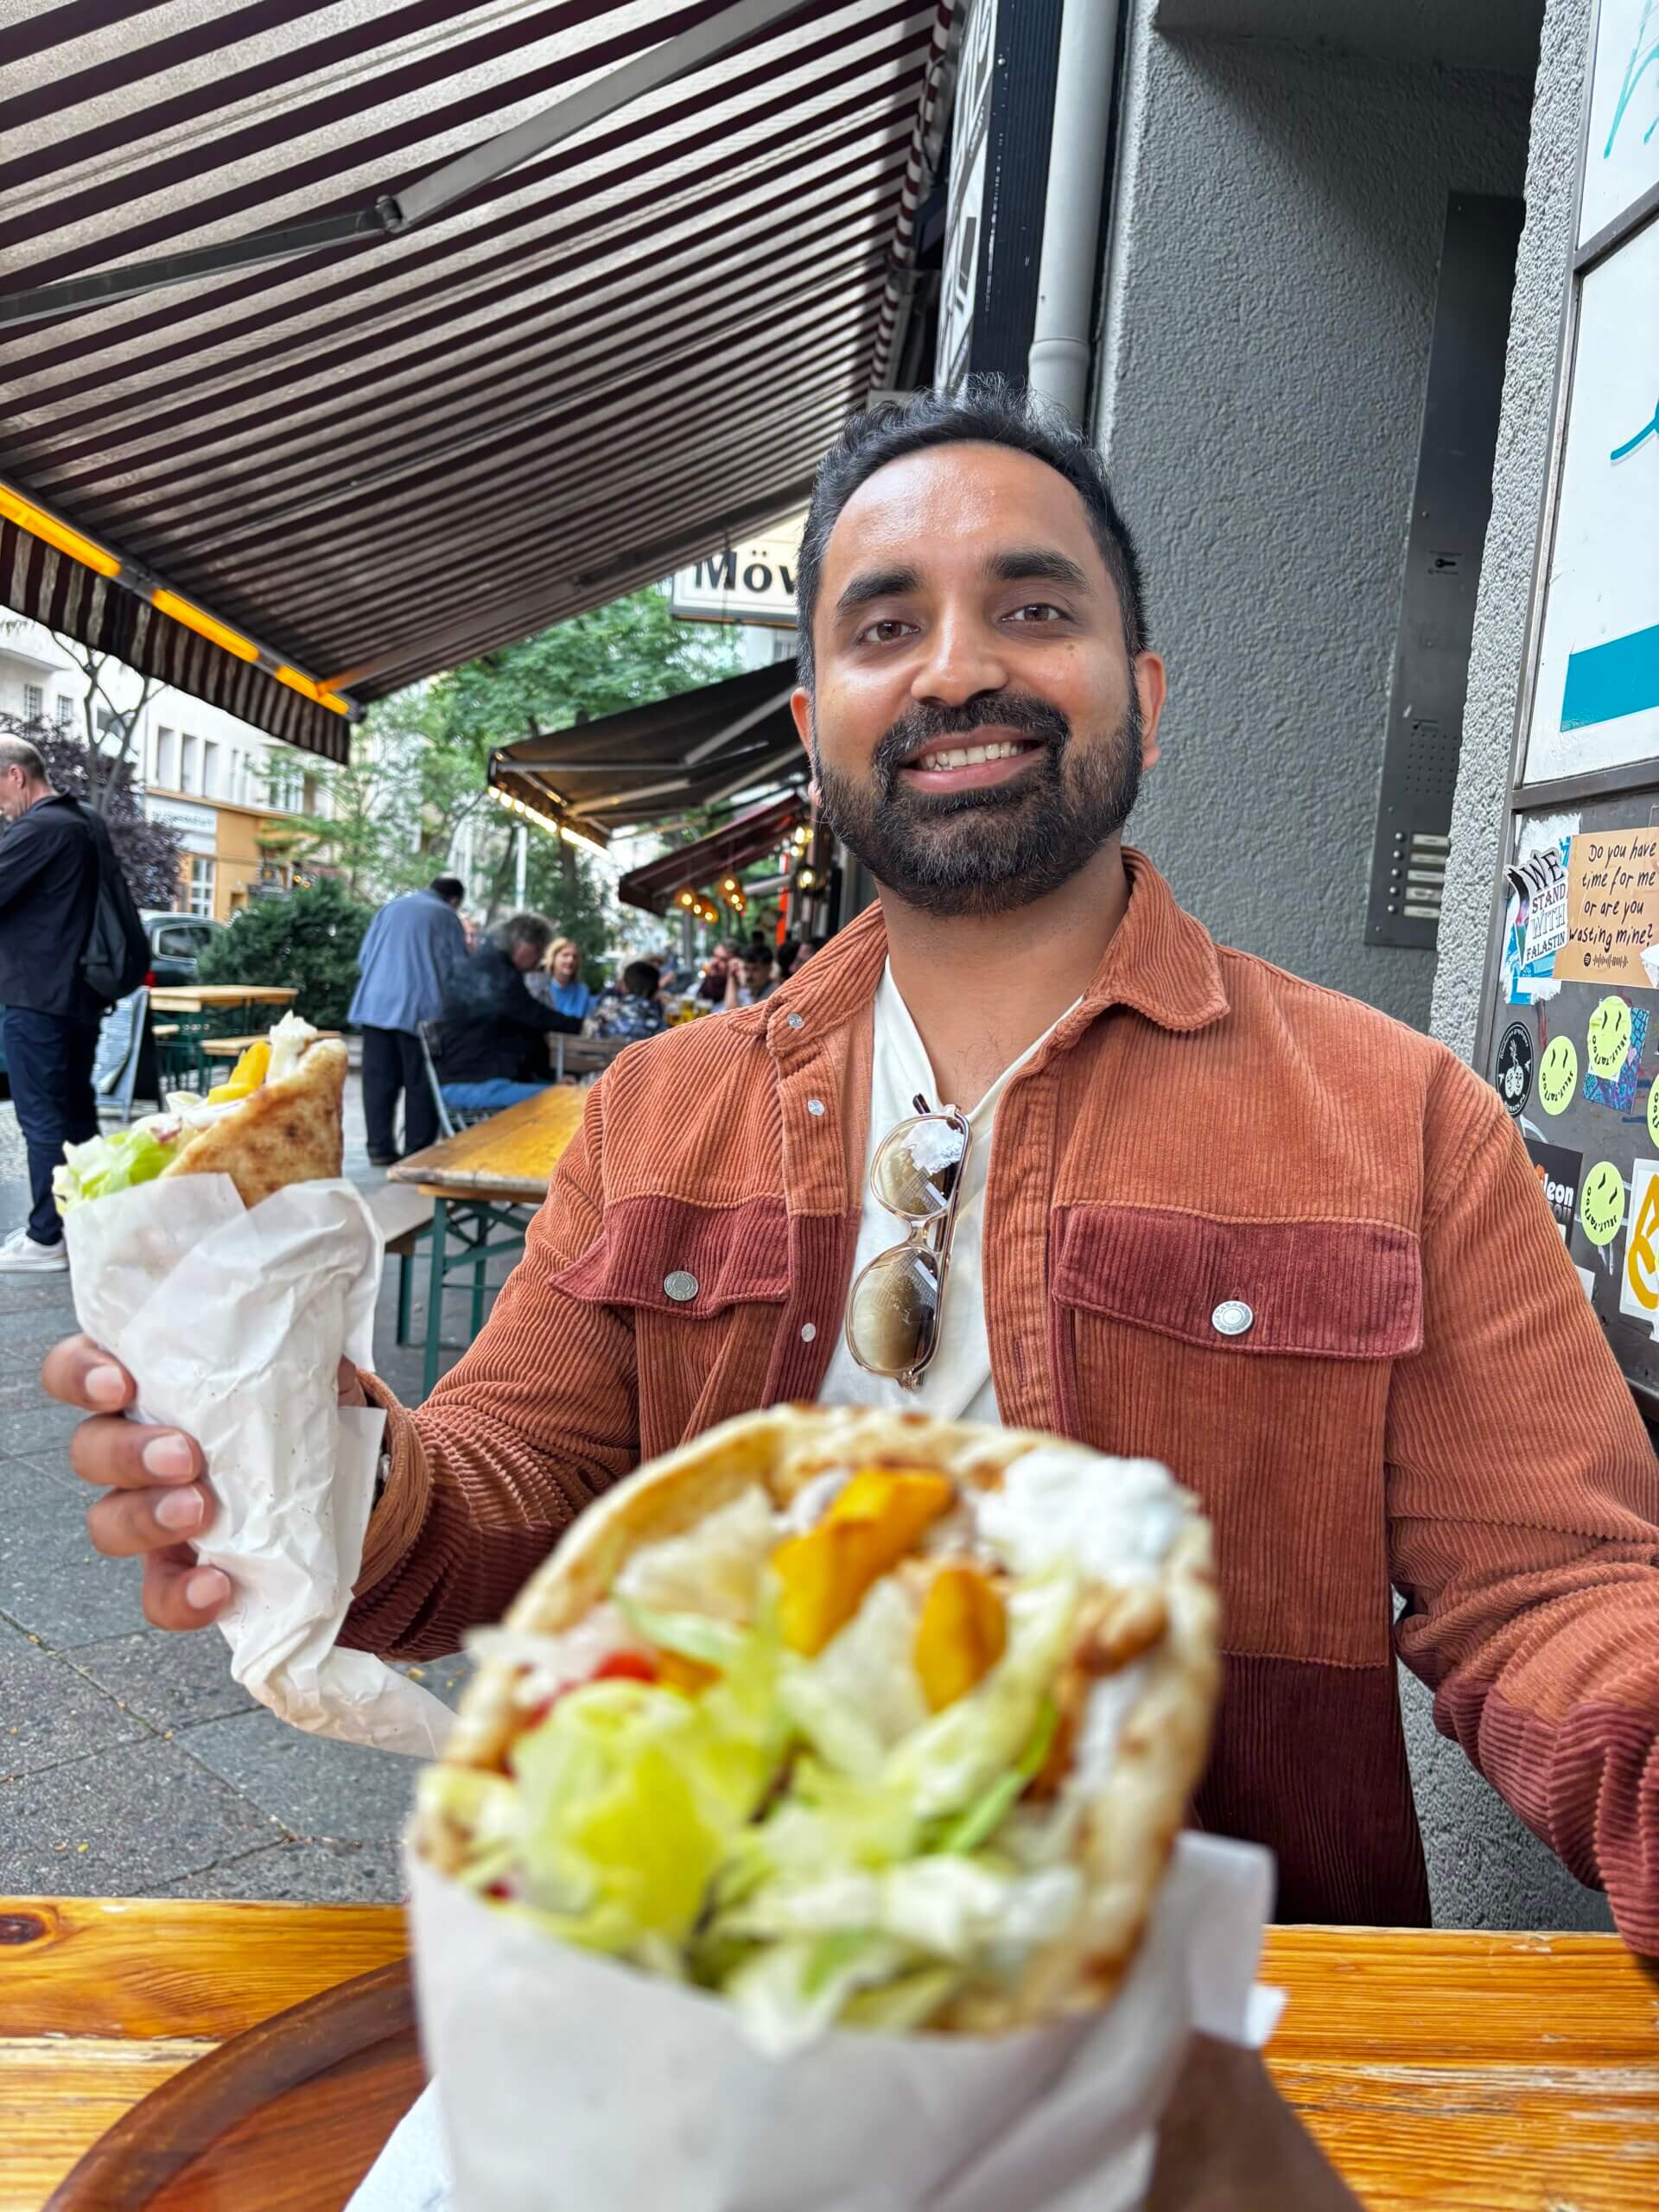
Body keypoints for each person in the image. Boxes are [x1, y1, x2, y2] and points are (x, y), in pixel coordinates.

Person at [43, 380, 1659, 1949]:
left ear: (1147, 698)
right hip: (714, 1989)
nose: (959, 667)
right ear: (821, 732)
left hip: (1203, 2025)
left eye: (1035, 610)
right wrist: (310, 1458)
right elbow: (506, 1499)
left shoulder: (1399, 1118)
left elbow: (1554, 1592)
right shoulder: (662, 1109)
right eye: (886, 627)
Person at [0, 734, 101, 1274]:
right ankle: (87, 1222)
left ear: (16, 775)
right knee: (76, 1113)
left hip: (37, 995)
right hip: (78, 995)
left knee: (41, 1117)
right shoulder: (83, 822)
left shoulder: (40, 829)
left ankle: (46, 1238)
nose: (0, 808)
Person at [348, 876, 467, 1166]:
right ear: (454, 900)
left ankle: (379, 1148)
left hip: (375, 1006)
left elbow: (364, 958)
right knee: (420, 1083)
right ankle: (417, 1152)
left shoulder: (390, 908)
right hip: (420, 1012)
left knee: (378, 1081)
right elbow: (458, 970)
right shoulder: (446, 916)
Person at [432, 912, 580, 1114]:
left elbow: (526, 1029)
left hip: (477, 1078)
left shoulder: (491, 965)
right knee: (567, 1102)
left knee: (566, 1094)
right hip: (473, 1084)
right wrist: (582, 1026)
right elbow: (532, 1015)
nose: (539, 959)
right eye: (538, 950)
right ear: (523, 944)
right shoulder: (495, 969)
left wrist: (550, 1079)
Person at [588, 959, 667, 1043]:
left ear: (624, 986)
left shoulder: (603, 1011)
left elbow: (587, 1033)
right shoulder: (656, 1020)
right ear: (655, 990)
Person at [530, 937, 594, 1022]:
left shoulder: (582, 991)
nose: (571, 960)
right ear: (553, 959)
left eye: (575, 957)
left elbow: (588, 1022)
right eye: (565, 955)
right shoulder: (539, 987)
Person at [721, 943, 779, 1011]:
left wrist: (732, 981)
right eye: (746, 969)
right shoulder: (751, 990)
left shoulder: (775, 993)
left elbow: (733, 1014)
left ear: (769, 968)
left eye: (755, 969)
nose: (749, 975)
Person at [697, 939, 738, 1004]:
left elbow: (732, 1008)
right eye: (714, 956)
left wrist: (732, 977)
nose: (715, 962)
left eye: (723, 960)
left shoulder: (739, 994)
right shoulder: (701, 983)